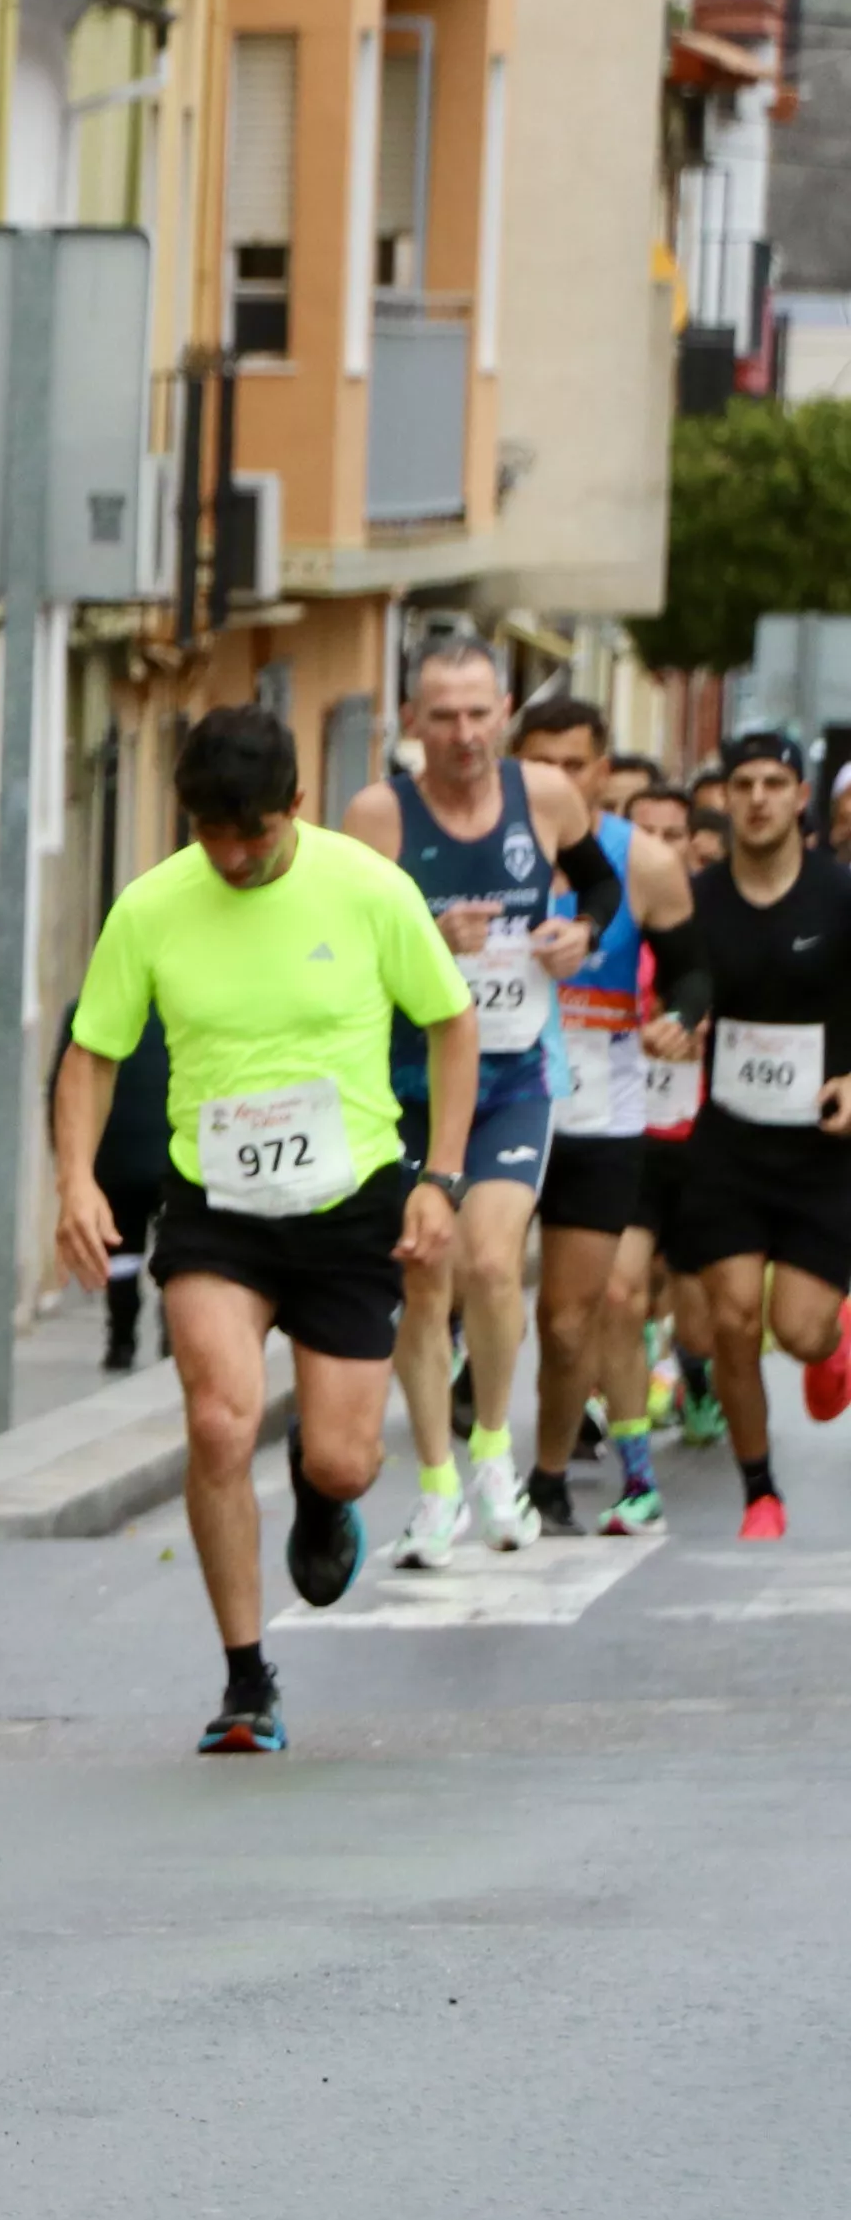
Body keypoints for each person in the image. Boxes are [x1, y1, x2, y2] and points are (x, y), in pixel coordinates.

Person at [57, 705, 472, 1753]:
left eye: (256, 832)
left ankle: (319, 1498)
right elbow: (92, 1051)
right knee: (218, 1423)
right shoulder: (151, 906)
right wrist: (73, 1181)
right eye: (213, 833)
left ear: (297, 805)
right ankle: (247, 1680)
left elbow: (453, 1020)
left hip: (350, 1204)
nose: (235, 855)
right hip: (217, 1208)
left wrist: (445, 1178)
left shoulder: (370, 889)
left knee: (342, 1459)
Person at [342, 638, 639, 1563]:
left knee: (492, 1263)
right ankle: (437, 1488)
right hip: (403, 1084)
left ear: (505, 709)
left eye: (479, 714)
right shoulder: (378, 816)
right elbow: (342, 944)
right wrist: (428, 938)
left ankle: (495, 1459)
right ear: (411, 722)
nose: (465, 735)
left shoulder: (543, 797)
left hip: (514, 1072)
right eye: (444, 717)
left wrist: (579, 933)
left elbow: (599, 881)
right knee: (422, 1275)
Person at [657, 730, 851, 1539]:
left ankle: (836, 1341)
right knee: (733, 1318)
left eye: (776, 783)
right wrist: (671, 1028)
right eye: (744, 785)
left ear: (802, 799)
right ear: (725, 800)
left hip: (823, 1146)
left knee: (800, 1333)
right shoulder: (694, 899)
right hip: (728, 1142)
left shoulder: (841, 895)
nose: (760, 798)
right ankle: (760, 1490)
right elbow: (669, 986)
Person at [509, 697, 695, 1534]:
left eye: (574, 764)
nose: (557, 779)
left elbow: (695, 973)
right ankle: (470, 1462)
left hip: (600, 1111)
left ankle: (563, 1470)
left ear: (604, 769)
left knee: (578, 1311)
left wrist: (681, 1019)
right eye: (540, 761)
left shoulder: (643, 862)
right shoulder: (490, 848)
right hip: (492, 1103)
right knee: (472, 1285)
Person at [598, 776, 713, 1530]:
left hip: (711, 1149)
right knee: (618, 1295)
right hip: (630, 1138)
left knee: (705, 1323)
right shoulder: (605, 925)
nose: (661, 849)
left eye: (675, 835)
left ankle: (698, 1372)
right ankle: (637, 1476)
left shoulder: (726, 924)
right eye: (647, 834)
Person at [54, 996, 170, 1372]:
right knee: (176, 1250)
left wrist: (70, 1163)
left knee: (122, 1253)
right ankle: (173, 1336)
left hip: (113, 1161)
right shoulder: (181, 1008)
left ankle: (121, 1340)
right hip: (171, 1161)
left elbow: (64, 1090)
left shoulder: (86, 1011)